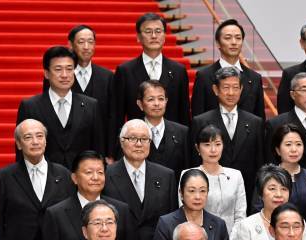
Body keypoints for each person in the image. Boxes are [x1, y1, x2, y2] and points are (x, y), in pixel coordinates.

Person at [43, 150, 137, 240]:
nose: (95, 177)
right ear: (75, 178)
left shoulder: (121, 210)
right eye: (88, 172)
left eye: (100, 172)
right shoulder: (56, 214)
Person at [103, 120, 177, 240]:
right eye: (132, 138)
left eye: (144, 139)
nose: (139, 144)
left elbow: (172, 219)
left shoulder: (166, 175)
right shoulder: (106, 175)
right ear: (122, 142)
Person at [17, 46, 103, 168]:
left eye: (69, 69)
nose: (64, 75)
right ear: (46, 73)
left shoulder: (91, 105)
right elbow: (22, 150)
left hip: (81, 179)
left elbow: (98, 148)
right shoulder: (30, 107)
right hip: (45, 180)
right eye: (58, 69)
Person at [190, 67, 264, 210]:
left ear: (241, 89)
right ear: (216, 90)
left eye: (235, 87)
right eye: (226, 87)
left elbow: (259, 162)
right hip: (209, 193)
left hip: (246, 192)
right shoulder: (201, 121)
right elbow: (194, 161)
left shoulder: (255, 122)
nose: (231, 93)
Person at [43, 25, 115, 159]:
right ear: (70, 44)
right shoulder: (57, 75)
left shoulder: (107, 76)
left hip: (95, 148)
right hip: (61, 149)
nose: (86, 46)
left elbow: (112, 117)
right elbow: (47, 109)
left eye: (91, 42)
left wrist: (110, 153)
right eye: (81, 42)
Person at [114, 12, 190, 132]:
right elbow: (117, 116)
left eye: (158, 31)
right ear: (138, 37)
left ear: (164, 36)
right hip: (136, 141)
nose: (154, 36)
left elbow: (184, 114)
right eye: (148, 31)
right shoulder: (125, 71)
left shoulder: (178, 71)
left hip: (172, 143)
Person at [151, 169, 232, 240]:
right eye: (192, 191)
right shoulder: (166, 224)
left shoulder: (219, 225)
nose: (198, 197)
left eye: (202, 191)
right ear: (181, 193)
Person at [191, 19, 265, 119]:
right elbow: (197, 117)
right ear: (218, 43)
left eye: (238, 38)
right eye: (228, 38)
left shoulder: (255, 78)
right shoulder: (204, 76)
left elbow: (260, 119)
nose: (234, 42)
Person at [180, 125, 246, 234]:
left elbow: (240, 215)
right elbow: (184, 213)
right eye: (207, 145)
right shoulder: (188, 175)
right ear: (198, 148)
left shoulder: (236, 175)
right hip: (198, 239)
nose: (213, 150)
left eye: (218, 144)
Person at [253, 124, 306, 219]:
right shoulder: (266, 176)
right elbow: (257, 209)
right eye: (288, 144)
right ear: (278, 150)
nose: (294, 149)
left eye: (298, 144)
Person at [137, 80, 190, 181]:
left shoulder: (182, 132)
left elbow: (187, 169)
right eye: (151, 99)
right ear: (140, 104)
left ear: (166, 101)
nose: (157, 104)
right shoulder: (130, 132)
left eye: (161, 99)